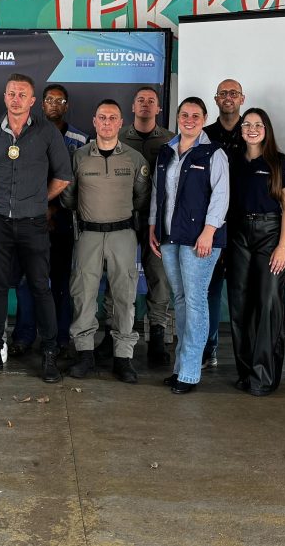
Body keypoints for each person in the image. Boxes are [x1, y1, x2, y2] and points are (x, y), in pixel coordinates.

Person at [0, 74, 73, 383]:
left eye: (22, 95)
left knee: (41, 287)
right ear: (5, 97)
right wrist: (6, 199)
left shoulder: (47, 132)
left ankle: (49, 353)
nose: (16, 99)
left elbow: (63, 177)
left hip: (34, 223)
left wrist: (36, 200)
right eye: (11, 94)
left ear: (32, 101)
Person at [60, 100, 151, 384]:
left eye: (113, 118)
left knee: (124, 296)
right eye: (102, 117)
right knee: (83, 294)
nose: (107, 123)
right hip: (88, 234)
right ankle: (84, 354)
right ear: (95, 122)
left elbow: (142, 199)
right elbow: (68, 197)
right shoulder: (79, 157)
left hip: (123, 234)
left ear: (121, 123)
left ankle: (123, 357)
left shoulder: (135, 159)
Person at [148, 97, 229, 394]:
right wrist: (153, 226)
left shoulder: (214, 153)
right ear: (177, 117)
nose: (189, 120)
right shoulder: (166, 151)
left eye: (196, 115)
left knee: (195, 301)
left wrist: (209, 232)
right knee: (180, 299)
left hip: (200, 239)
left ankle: (191, 371)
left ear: (204, 119)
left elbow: (221, 195)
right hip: (170, 236)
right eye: (184, 114)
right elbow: (158, 192)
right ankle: (180, 368)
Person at [11, 83, 89, 357]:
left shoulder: (80, 139)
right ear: (40, 104)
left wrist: (55, 209)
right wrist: (38, 208)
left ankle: (59, 338)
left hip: (64, 219)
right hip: (30, 217)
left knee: (61, 281)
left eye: (60, 101)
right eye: (49, 100)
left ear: (67, 106)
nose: (54, 105)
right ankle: (24, 335)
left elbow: (81, 183)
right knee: (26, 281)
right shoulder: (27, 133)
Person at [225, 108, 285, 396]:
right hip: (238, 233)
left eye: (258, 124)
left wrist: (283, 247)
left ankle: (263, 377)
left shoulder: (280, 162)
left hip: (269, 234)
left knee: (268, 305)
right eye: (247, 124)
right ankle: (246, 372)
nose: (251, 129)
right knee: (239, 304)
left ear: (266, 129)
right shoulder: (231, 159)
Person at [118, 85, 174, 367]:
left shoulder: (171, 140)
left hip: (159, 219)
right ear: (133, 106)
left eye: (151, 101)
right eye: (140, 100)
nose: (145, 104)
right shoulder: (117, 136)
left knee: (159, 277)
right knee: (119, 276)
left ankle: (158, 336)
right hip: (122, 216)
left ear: (158, 108)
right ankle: (116, 333)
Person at [201, 78, 246, 369]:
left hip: (245, 225)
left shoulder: (252, 130)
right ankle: (208, 349)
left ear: (242, 98)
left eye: (233, 93)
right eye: (223, 93)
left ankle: (245, 355)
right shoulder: (204, 135)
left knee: (242, 292)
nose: (228, 97)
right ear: (216, 99)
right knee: (210, 290)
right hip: (212, 225)